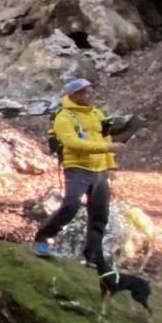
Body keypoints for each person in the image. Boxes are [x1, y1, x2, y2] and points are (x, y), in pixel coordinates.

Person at [32, 76, 117, 268]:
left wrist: (111, 165)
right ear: (74, 94)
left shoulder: (97, 114)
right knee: (71, 205)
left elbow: (106, 138)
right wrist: (107, 150)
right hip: (77, 167)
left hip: (100, 169)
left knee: (99, 214)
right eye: (84, 91)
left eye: (89, 90)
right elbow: (72, 143)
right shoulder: (64, 116)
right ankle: (42, 239)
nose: (89, 94)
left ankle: (93, 255)